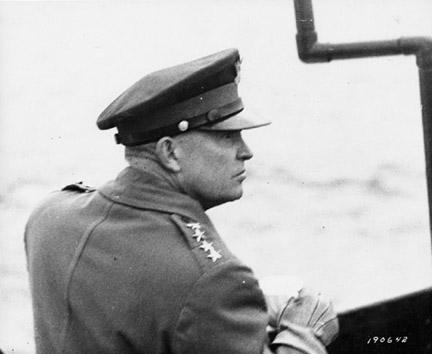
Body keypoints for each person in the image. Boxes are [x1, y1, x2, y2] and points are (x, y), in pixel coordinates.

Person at [25, 48, 338, 353]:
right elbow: (184, 287)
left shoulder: (49, 216)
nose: (246, 151)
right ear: (170, 152)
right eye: (227, 137)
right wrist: (303, 334)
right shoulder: (213, 280)